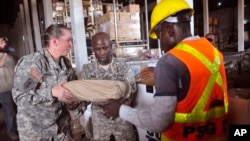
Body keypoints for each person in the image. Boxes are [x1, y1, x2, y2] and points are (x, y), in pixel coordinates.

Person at [102, 0, 229, 141]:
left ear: (169, 29)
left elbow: (159, 122)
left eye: (159, 34)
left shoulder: (169, 61)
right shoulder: (214, 53)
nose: (161, 44)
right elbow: (195, 85)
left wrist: (120, 110)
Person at [12, 24, 78, 141]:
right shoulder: (37, 65)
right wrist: (51, 92)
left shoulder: (66, 64)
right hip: (38, 132)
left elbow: (73, 91)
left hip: (61, 129)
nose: (71, 45)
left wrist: (72, 102)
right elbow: (22, 96)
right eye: (68, 40)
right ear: (55, 42)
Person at [79, 32, 137, 141]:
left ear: (111, 47)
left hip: (122, 121)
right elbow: (83, 97)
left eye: (105, 48)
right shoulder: (87, 71)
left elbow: (132, 90)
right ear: (93, 50)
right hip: (100, 125)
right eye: (97, 49)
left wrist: (119, 102)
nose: (102, 53)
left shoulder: (123, 67)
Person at [0, 37, 19, 140]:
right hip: (3, 89)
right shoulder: (5, 55)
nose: (4, 43)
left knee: (18, 110)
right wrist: (5, 53)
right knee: (9, 111)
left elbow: (19, 67)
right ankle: (11, 132)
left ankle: (18, 128)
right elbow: (0, 64)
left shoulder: (11, 56)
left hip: (15, 88)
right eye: (2, 42)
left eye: (5, 41)